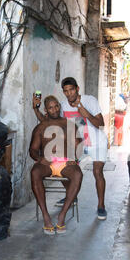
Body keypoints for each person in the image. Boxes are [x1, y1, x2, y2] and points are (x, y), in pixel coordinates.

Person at [33, 77, 108, 220]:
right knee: (64, 167)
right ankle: (72, 196)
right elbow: (47, 122)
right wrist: (35, 109)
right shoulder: (62, 106)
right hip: (77, 144)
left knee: (97, 172)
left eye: (72, 90)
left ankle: (101, 206)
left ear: (77, 88)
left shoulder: (90, 100)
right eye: (66, 91)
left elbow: (101, 124)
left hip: (97, 143)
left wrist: (86, 113)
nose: (69, 94)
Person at [30, 95, 83, 235]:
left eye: (56, 106)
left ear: (59, 106)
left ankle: (62, 215)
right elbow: (33, 150)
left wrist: (75, 158)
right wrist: (40, 158)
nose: (54, 110)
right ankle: (46, 217)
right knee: (35, 172)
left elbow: (79, 145)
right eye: (50, 107)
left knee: (78, 174)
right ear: (46, 110)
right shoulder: (41, 127)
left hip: (65, 163)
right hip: (47, 164)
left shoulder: (69, 124)